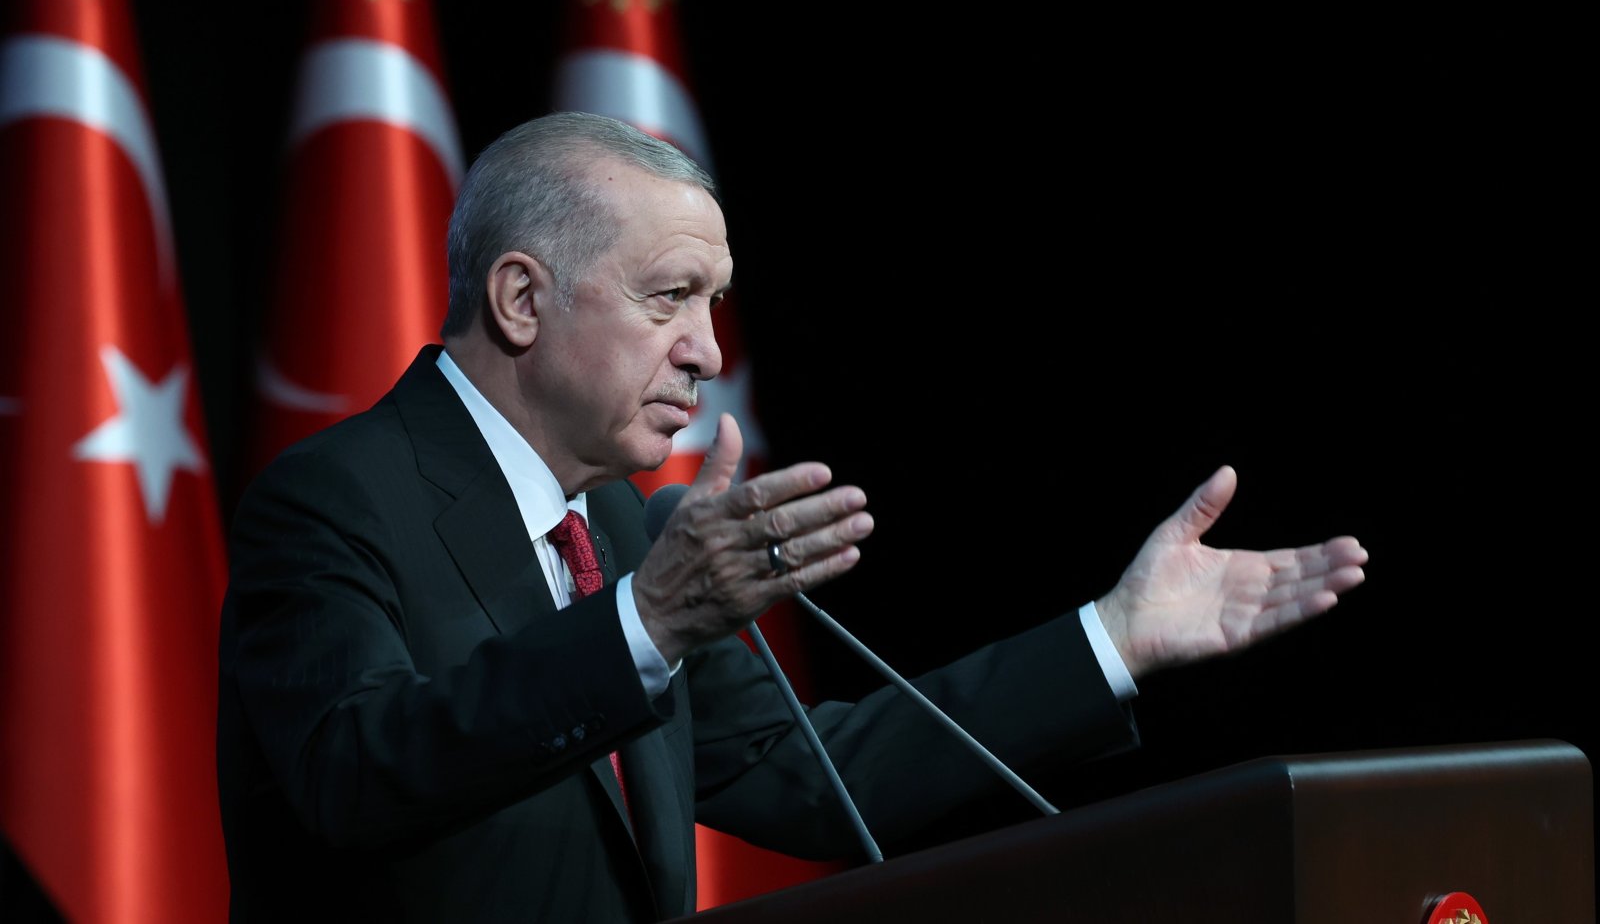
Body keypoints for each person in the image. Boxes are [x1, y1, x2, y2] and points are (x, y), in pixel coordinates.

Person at [216, 111, 1369, 923]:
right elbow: (352, 774)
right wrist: (649, 624)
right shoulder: (336, 499)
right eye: (670, 297)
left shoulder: (617, 531)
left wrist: (1114, 638)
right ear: (521, 298)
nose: (707, 353)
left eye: (714, 306)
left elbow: (815, 776)